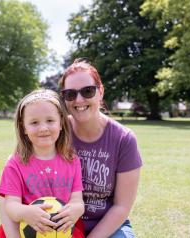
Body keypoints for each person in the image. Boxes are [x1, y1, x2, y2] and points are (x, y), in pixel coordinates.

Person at [59, 59, 143, 237]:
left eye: (87, 91)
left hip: (108, 224)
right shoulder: (57, 131)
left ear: (101, 91)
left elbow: (121, 206)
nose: (79, 100)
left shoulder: (124, 139)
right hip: (64, 223)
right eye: (70, 94)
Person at [0, 89, 85, 237]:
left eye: (50, 120)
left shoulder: (72, 160)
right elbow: (10, 205)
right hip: (28, 231)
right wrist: (25, 212)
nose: (43, 128)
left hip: (63, 231)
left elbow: (77, 200)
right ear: (24, 127)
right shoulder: (15, 163)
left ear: (61, 123)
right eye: (34, 122)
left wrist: (76, 209)